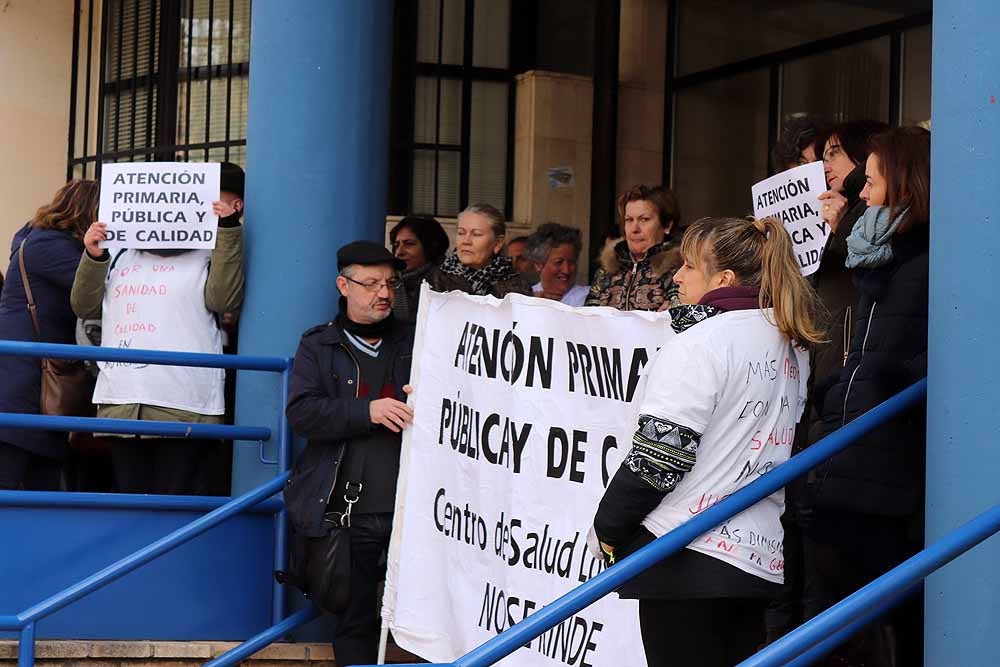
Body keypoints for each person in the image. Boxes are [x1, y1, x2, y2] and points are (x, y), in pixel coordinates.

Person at [591, 216, 823, 667]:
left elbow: (660, 455)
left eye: (689, 267)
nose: (676, 276)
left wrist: (609, 530)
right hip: (756, 555)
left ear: (724, 279)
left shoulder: (700, 341)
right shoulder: (791, 339)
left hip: (683, 551)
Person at [804, 126, 930, 666]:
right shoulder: (881, 259)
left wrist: (886, 381)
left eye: (870, 181)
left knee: (884, 628)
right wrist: (835, 396)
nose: (860, 193)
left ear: (902, 186)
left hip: (887, 469)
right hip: (850, 456)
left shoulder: (926, 263)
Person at [766, 119, 887, 642]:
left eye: (830, 157)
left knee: (822, 558)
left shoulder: (870, 235)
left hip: (839, 406)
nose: (822, 171)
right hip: (808, 401)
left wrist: (839, 231)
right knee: (791, 544)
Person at [70, 162, 246, 496]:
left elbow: (224, 299)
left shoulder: (211, 251)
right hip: (121, 402)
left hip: (183, 404)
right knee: (130, 502)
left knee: (172, 503)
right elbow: (84, 306)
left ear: (236, 204)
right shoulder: (120, 248)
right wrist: (92, 256)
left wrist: (226, 230)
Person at [285, 241, 414, 667]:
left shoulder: (419, 341)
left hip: (413, 511)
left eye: (390, 283)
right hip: (348, 512)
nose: (383, 292)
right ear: (344, 285)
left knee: (422, 621)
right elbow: (302, 414)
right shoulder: (318, 345)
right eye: (371, 283)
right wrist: (367, 411)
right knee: (356, 622)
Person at [0, 180, 97, 490]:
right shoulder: (50, 246)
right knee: (22, 492)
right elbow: (106, 289)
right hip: (25, 391)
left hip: (30, 387)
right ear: (87, 212)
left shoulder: (40, 242)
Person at [585, 185, 682, 311]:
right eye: (629, 220)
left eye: (644, 219)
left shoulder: (679, 269)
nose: (635, 229)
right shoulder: (606, 271)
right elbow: (588, 317)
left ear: (667, 226)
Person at [427, 203, 532, 298]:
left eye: (476, 234)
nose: (466, 241)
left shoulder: (517, 286)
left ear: (498, 242)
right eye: (461, 233)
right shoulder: (436, 278)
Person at [388, 215, 449, 322]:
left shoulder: (445, 283)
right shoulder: (390, 283)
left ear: (430, 247)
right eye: (396, 245)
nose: (399, 252)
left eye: (409, 244)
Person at [526, 223, 589, 306]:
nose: (566, 270)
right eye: (558, 262)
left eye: (571, 262)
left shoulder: (590, 298)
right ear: (538, 264)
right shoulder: (526, 299)